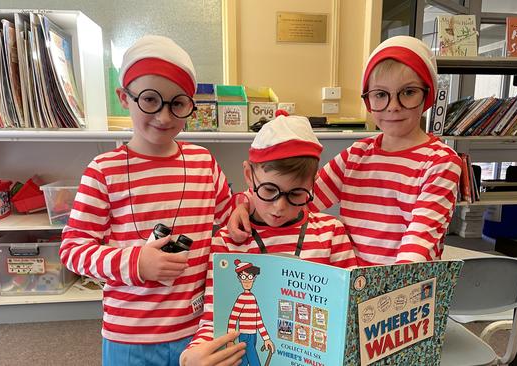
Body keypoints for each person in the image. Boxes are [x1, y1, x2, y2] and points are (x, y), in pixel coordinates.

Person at [59, 35, 245, 366]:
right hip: (130, 335)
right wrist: (136, 263)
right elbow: (73, 250)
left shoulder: (203, 162)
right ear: (124, 98)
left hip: (197, 329)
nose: (163, 116)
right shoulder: (104, 171)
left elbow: (230, 215)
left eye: (178, 103)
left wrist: (245, 207)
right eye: (149, 100)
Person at [229, 36, 462, 265]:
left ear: (427, 93)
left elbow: (419, 243)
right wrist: (244, 204)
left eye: (408, 92)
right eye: (381, 94)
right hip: (352, 284)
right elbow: (301, 195)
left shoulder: (441, 162)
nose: (393, 106)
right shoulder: (357, 154)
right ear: (368, 99)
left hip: (403, 290)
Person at [180, 114, 358, 366]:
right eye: (269, 191)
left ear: (312, 184)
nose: (279, 207)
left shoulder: (330, 234)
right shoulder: (228, 242)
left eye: (296, 193)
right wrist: (193, 354)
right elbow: (214, 319)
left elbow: (348, 313)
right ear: (248, 176)